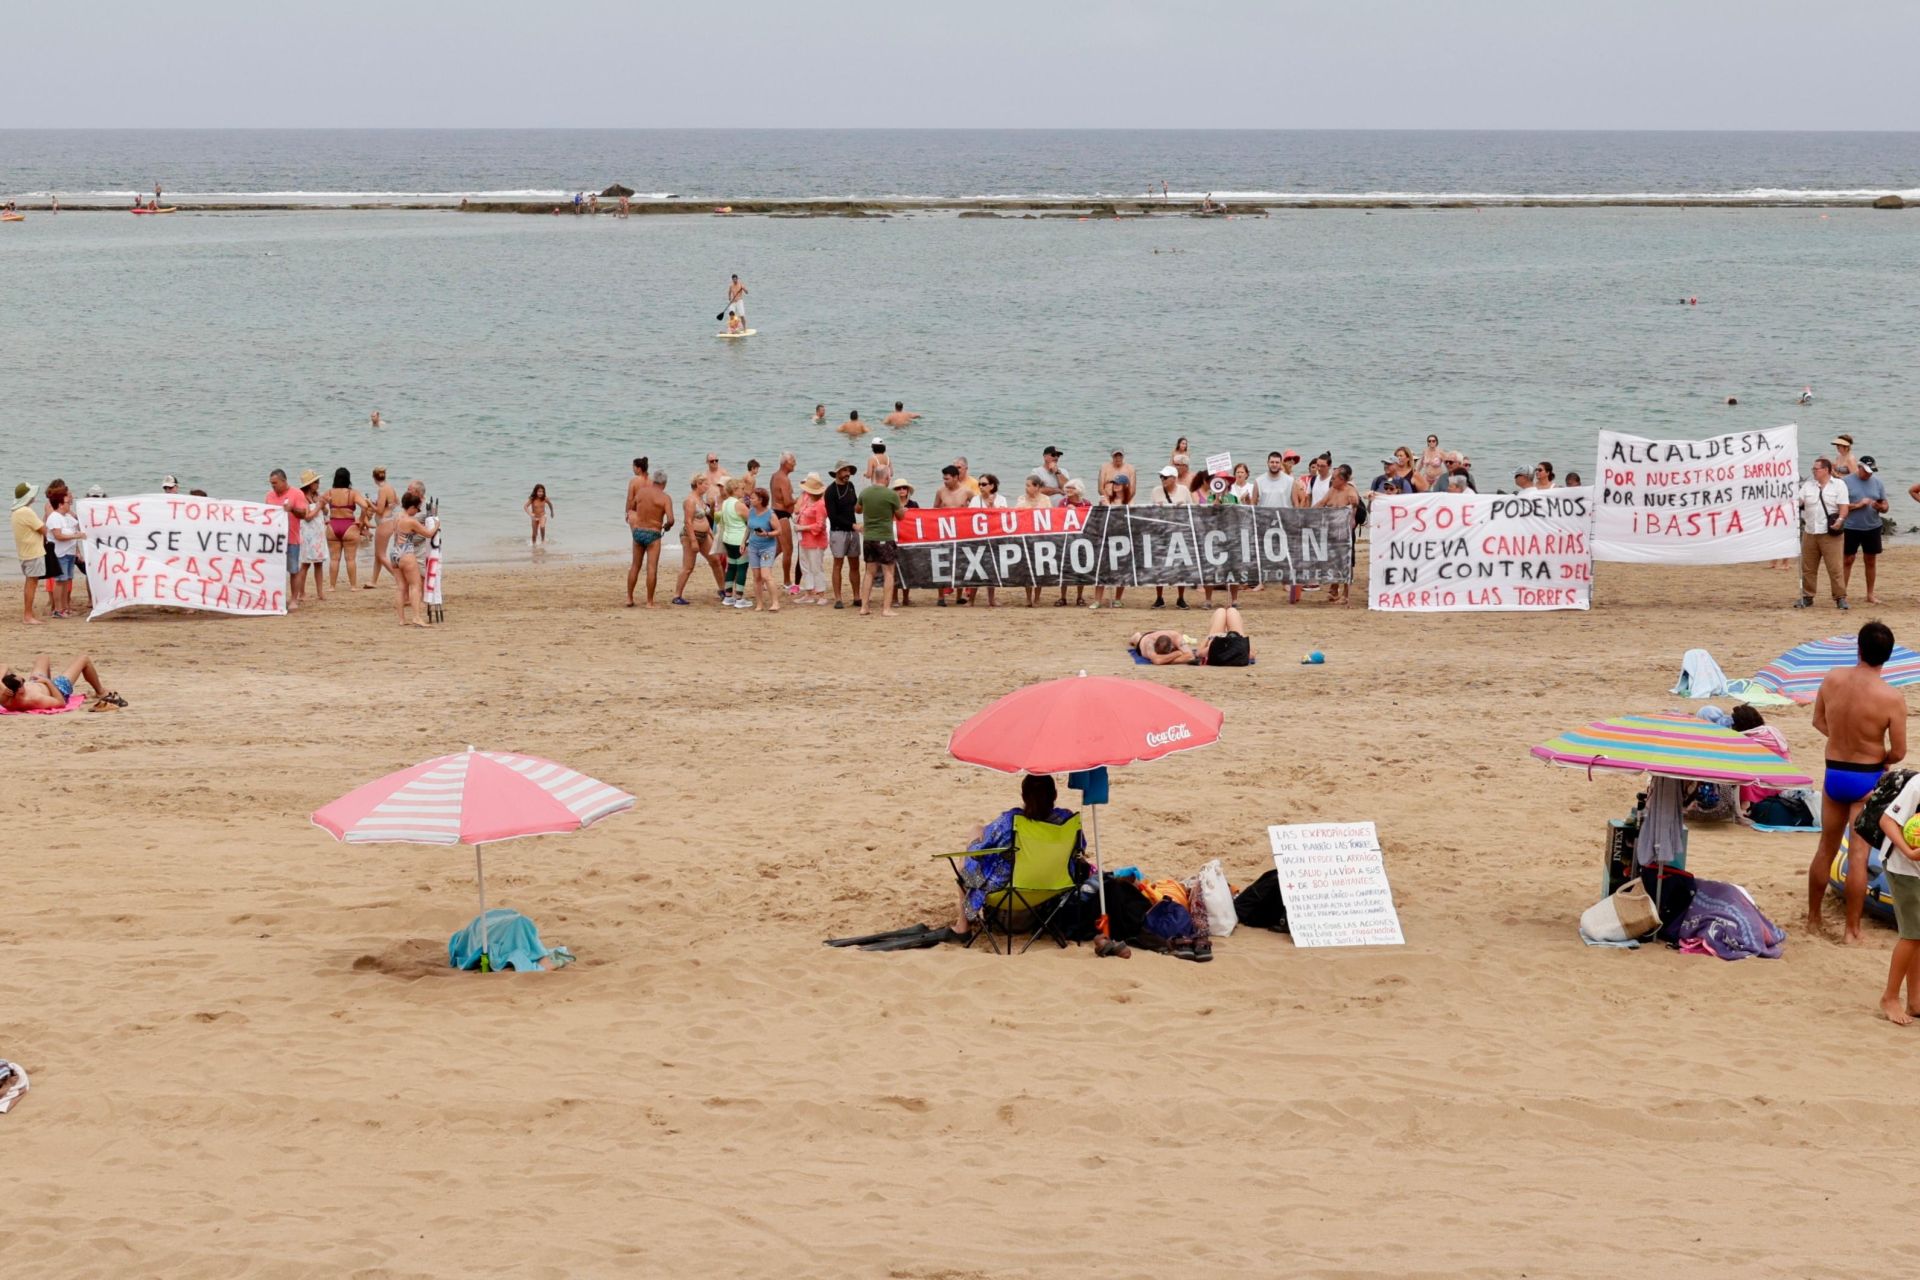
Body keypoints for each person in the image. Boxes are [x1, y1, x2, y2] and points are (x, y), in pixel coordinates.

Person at [1808, 621, 1907, 943]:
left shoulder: (1832, 678)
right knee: (1859, 856)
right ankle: (1852, 931)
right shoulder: (1891, 697)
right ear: (1887, 657)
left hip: (1834, 769)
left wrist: (1840, 737)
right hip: (1867, 775)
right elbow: (1901, 751)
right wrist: (1882, 756)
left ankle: (1813, 919)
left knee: (1826, 847)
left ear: (1859, 649)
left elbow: (1818, 720)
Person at [948, 773, 1085, 942]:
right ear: (1055, 795)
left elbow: (981, 850)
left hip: (1008, 891)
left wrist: (974, 838)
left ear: (1023, 796)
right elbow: (1080, 847)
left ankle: (963, 925)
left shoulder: (1012, 821)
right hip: (1053, 888)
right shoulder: (1067, 820)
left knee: (969, 853)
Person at [1871, 773, 1920, 1023]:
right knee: (1912, 934)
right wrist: (1909, 852)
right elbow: (1887, 821)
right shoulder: (1918, 785)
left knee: (1919, 934)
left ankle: (1915, 1000)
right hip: (1903, 867)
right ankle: (1890, 998)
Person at [1729, 706, 1803, 829]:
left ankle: (1744, 806)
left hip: (1765, 783)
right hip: (1783, 780)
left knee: (1740, 770)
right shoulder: (1771, 732)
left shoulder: (1749, 738)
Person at [1795, 456, 1852, 610]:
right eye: (1813, 469)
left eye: (1816, 469)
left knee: (1835, 567)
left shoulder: (1838, 485)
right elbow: (1798, 502)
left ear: (1826, 470)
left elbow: (1844, 507)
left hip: (1830, 532)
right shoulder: (1808, 486)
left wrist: (1840, 520)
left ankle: (1840, 597)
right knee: (1808, 567)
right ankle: (1807, 596)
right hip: (1810, 532)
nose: (1813, 471)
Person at [855, 471, 904, 618]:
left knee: (869, 572)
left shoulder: (865, 492)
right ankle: (886, 608)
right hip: (884, 537)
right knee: (888, 572)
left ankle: (864, 607)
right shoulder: (891, 495)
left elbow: (857, 509)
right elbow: (901, 516)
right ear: (886, 478)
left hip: (869, 537)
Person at [262, 469, 311, 611]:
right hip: (273, 539)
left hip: (291, 538)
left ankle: (294, 599)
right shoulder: (269, 496)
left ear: (284, 481)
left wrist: (292, 509)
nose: (273, 486)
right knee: (273, 569)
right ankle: (275, 597)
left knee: (293, 569)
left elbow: (304, 514)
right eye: (271, 484)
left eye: (275, 483)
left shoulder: (296, 494)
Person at [1145, 465, 1193, 611]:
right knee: (1159, 566)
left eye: (1165, 477)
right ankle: (1159, 598)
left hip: (1179, 532)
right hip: (1162, 533)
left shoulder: (1184, 490)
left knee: (1181, 566)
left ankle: (1181, 598)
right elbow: (1150, 514)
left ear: (1174, 478)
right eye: (1161, 477)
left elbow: (1192, 510)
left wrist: (1182, 507)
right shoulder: (1156, 491)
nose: (1162, 479)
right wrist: (1157, 509)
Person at [1842, 455, 1888, 605]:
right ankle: (1842, 594)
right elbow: (1839, 506)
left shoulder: (1878, 483)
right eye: (1867, 471)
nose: (1869, 474)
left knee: (1870, 560)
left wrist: (1880, 507)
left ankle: (1870, 594)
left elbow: (1886, 506)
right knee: (1848, 560)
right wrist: (1858, 505)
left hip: (1872, 526)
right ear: (1859, 467)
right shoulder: (1846, 482)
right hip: (1851, 527)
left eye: (1871, 471)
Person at [626, 469, 674, 608]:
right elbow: (671, 519)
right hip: (653, 534)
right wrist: (666, 526)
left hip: (638, 531)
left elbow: (633, 507)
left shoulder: (641, 492)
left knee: (635, 565)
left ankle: (629, 598)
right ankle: (649, 601)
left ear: (653, 481)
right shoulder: (665, 498)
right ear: (664, 483)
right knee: (651, 568)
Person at [1, 653, 116, 711]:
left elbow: (3, 665)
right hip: (58, 688)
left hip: (37, 682)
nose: (23, 681)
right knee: (84, 659)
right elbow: (61, 703)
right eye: (23, 682)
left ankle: (44, 681)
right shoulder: (34, 700)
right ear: (20, 690)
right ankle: (100, 691)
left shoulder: (4, 696)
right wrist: (48, 683)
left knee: (43, 657)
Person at [386, 492, 435, 627]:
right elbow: (429, 534)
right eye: (417, 508)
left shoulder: (396, 517)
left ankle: (401, 619)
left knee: (401, 587)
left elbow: (401, 532)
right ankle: (417, 617)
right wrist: (436, 524)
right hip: (406, 552)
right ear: (412, 507)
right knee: (415, 585)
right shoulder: (410, 521)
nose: (418, 511)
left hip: (394, 552)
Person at [672, 475, 721, 606]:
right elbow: (688, 521)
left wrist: (711, 534)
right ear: (698, 484)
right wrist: (693, 541)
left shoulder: (701, 499)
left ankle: (723, 590)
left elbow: (704, 519)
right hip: (690, 536)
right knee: (688, 567)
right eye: (705, 484)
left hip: (704, 535)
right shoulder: (690, 500)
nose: (707, 486)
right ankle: (677, 595)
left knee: (715, 560)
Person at [1315, 465, 1362, 605]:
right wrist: (1305, 514)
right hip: (1332, 532)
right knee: (1333, 561)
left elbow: (1353, 519)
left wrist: (1353, 509)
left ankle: (1346, 594)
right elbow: (1322, 503)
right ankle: (1334, 589)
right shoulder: (1332, 490)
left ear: (1342, 479)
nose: (1332, 480)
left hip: (1345, 534)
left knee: (1347, 563)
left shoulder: (1351, 493)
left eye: (1334, 478)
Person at [321, 468, 369, 591]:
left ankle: (332, 586)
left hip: (332, 526)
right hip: (349, 526)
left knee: (334, 559)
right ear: (348, 479)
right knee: (351, 559)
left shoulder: (329, 492)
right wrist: (361, 520)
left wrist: (326, 517)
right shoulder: (352, 493)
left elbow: (319, 504)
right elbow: (364, 506)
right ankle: (353, 586)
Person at [825, 462, 861, 609]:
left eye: (849, 471)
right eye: (845, 471)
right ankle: (838, 598)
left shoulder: (851, 486)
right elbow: (832, 516)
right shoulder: (830, 491)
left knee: (855, 564)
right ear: (838, 472)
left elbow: (855, 506)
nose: (848, 474)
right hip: (838, 531)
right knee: (838, 564)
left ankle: (857, 596)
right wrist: (852, 525)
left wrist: (861, 507)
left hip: (853, 531)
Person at [1091, 477, 1131, 610]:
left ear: (1125, 485)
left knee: (1121, 569)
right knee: (1102, 569)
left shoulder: (1128, 501)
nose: (1116, 485)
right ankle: (1097, 600)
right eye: (1114, 483)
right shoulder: (1106, 499)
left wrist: (1109, 506)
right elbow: (1099, 516)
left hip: (1122, 537)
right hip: (1106, 536)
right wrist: (1104, 504)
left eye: (1119, 483)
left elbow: (1125, 516)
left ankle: (1118, 599)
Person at [792, 473, 830, 605]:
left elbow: (820, 525)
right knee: (805, 566)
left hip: (816, 542)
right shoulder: (807, 500)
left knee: (816, 567)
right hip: (804, 540)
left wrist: (802, 528)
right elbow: (799, 511)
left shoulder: (820, 504)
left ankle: (821, 595)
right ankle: (809, 593)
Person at [13, 482, 47, 626]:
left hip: (25, 552)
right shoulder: (26, 511)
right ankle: (27, 615)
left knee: (30, 582)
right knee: (32, 583)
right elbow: (43, 529)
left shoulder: (16, 511)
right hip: (33, 552)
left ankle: (28, 614)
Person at [744, 488, 781, 613]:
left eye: (753, 498)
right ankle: (759, 604)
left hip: (767, 548)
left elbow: (778, 531)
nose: (750, 500)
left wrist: (767, 534)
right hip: (753, 547)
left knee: (766, 575)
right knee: (756, 577)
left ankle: (775, 602)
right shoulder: (751, 512)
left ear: (760, 500)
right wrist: (743, 542)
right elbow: (748, 528)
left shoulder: (770, 514)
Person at [716, 478, 751, 608]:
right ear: (735, 490)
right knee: (741, 567)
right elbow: (751, 521)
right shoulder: (739, 505)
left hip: (728, 539)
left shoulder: (725, 503)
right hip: (739, 539)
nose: (743, 491)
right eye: (741, 489)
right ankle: (740, 598)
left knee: (731, 567)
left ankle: (728, 596)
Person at [769, 453, 798, 589]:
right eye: (793, 461)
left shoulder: (774, 475)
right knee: (788, 549)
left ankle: (764, 572)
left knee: (778, 548)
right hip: (781, 515)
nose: (795, 463)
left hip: (774, 513)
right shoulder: (784, 479)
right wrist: (799, 499)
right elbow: (787, 502)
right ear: (785, 462)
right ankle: (787, 582)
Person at [299, 473, 327, 604]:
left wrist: (323, 504)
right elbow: (307, 517)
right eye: (316, 482)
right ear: (310, 484)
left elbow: (325, 512)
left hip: (318, 532)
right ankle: (301, 592)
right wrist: (318, 506)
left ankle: (320, 592)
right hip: (308, 533)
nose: (318, 484)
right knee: (305, 564)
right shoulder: (302, 498)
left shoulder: (316, 496)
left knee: (319, 563)